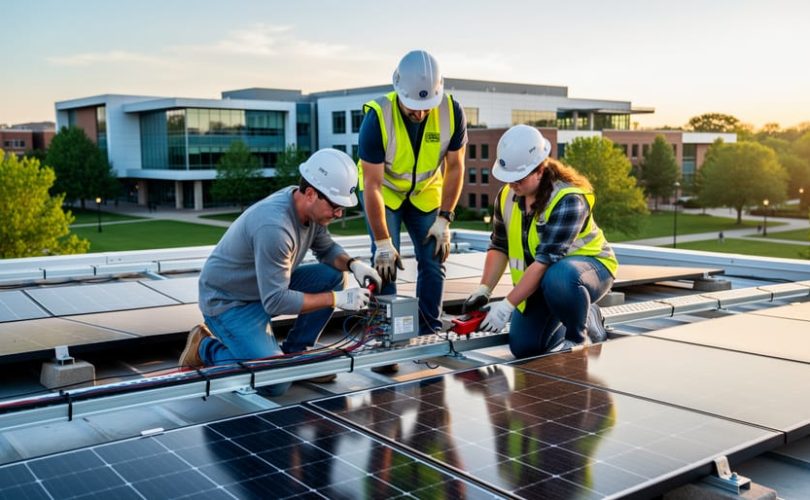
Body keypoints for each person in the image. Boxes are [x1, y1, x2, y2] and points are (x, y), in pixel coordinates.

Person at [180, 148, 382, 393]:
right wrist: (337, 299)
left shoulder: (309, 211)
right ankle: (204, 346)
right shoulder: (275, 227)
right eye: (336, 206)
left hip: (263, 290)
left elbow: (326, 249)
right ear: (310, 194)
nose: (339, 214)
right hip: (229, 303)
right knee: (275, 383)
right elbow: (275, 301)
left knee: (333, 276)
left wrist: (353, 264)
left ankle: (297, 351)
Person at [463, 125, 618, 357]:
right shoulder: (507, 196)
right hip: (543, 282)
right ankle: (574, 315)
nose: (512, 184)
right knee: (524, 347)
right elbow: (499, 245)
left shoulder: (568, 200)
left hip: (587, 273)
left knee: (560, 277)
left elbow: (545, 261)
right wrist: (484, 289)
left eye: (519, 178)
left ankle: (579, 334)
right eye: (508, 178)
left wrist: (506, 306)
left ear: (540, 170)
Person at [358, 49, 467, 347]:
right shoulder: (377, 117)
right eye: (413, 107)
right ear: (399, 90)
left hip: (425, 191)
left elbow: (456, 167)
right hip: (385, 192)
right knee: (386, 265)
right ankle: (385, 336)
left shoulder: (451, 111)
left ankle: (429, 329)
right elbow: (372, 185)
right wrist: (382, 243)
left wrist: (445, 218)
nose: (419, 114)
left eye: (425, 107)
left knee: (434, 259)